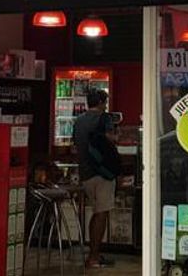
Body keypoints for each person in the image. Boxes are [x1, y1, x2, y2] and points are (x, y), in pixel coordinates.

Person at [73, 87, 120, 269]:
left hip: (85, 173)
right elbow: (111, 138)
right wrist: (117, 135)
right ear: (100, 102)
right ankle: (93, 257)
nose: (106, 105)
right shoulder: (104, 118)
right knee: (102, 213)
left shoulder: (79, 121)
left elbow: (75, 145)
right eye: (105, 102)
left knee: (96, 212)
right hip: (102, 173)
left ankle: (94, 253)